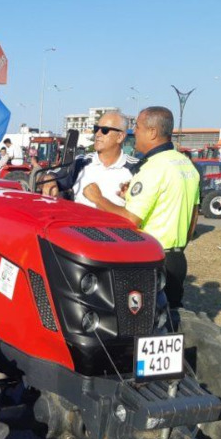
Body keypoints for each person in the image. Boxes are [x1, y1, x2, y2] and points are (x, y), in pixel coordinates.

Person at [83, 107, 199, 309]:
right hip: (177, 259)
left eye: (137, 127)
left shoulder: (153, 168)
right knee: (171, 317)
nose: (134, 132)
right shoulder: (185, 164)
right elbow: (194, 217)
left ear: (152, 132)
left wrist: (98, 198)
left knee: (141, 320)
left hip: (150, 259)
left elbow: (130, 220)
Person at [42, 111, 138, 207]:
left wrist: (99, 199)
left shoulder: (136, 169)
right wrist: (49, 179)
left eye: (105, 130)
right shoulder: (81, 163)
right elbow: (46, 178)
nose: (97, 134)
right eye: (96, 129)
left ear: (120, 137)